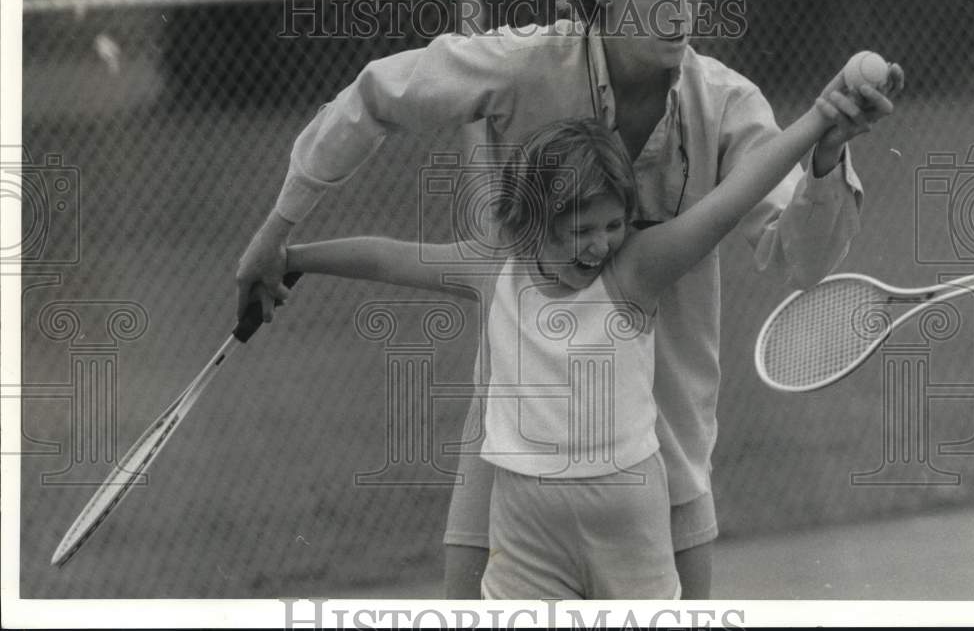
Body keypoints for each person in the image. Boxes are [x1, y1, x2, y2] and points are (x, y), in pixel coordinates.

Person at [236, 0, 901, 597]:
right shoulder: (525, 63)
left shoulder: (727, 102)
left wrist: (826, 151)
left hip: (664, 450)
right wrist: (280, 230)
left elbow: (799, 257)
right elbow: (376, 95)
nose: (683, 15)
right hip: (515, 447)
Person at [280, 93, 883, 598]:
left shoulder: (634, 271)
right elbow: (388, 258)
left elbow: (734, 199)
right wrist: (291, 259)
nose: (600, 245)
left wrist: (818, 128)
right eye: (580, 230)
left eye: (612, 225)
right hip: (524, 522)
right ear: (535, 222)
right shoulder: (496, 270)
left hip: (628, 514)